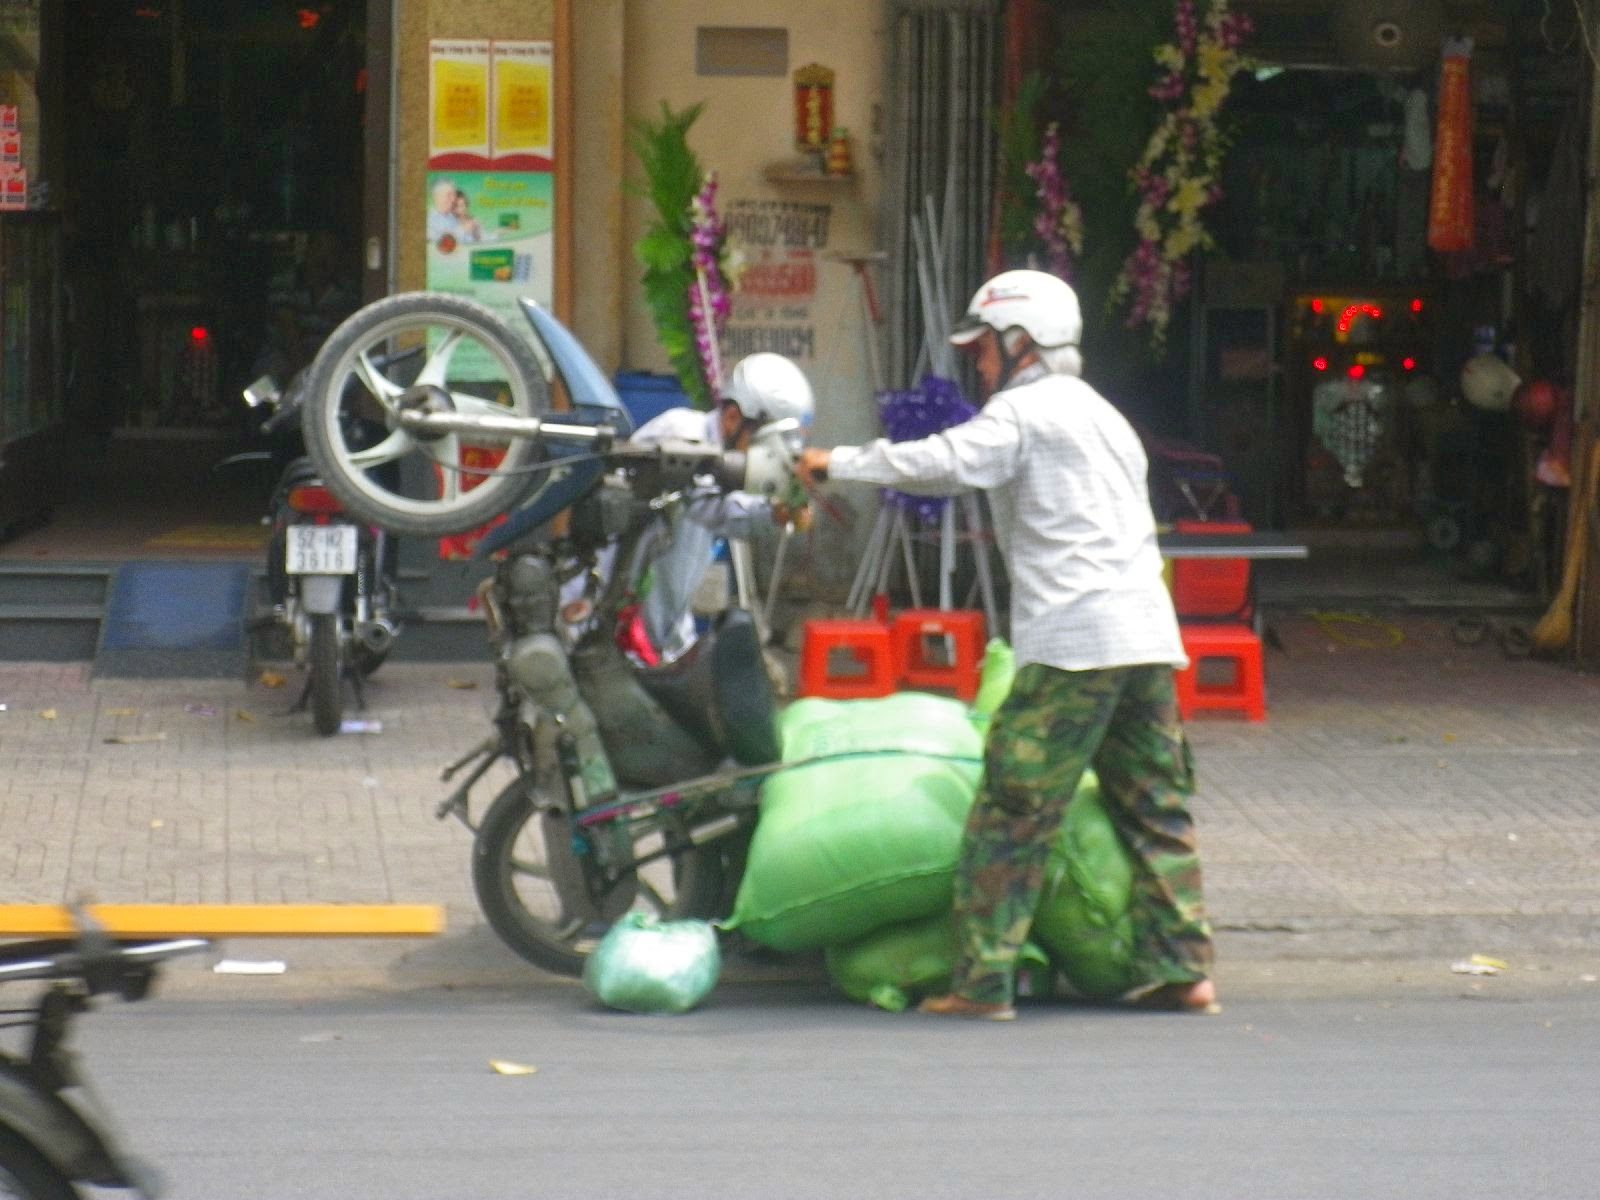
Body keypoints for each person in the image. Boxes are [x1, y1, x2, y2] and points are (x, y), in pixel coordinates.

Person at [796, 269, 1217, 1021]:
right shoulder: (1104, 415)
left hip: (1076, 644)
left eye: (985, 349)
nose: (979, 365)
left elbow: (942, 464)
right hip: (1146, 634)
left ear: (1021, 342)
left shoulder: (1025, 413)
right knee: (1155, 805)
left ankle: (982, 982)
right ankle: (1185, 968)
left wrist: (838, 462)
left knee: (1012, 808)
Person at [627, 353, 814, 662]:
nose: (765, 457)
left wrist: (780, 511)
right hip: (616, 624)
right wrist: (772, 513)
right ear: (731, 418)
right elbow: (711, 507)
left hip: (664, 633)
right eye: (763, 443)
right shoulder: (683, 434)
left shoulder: (723, 464)